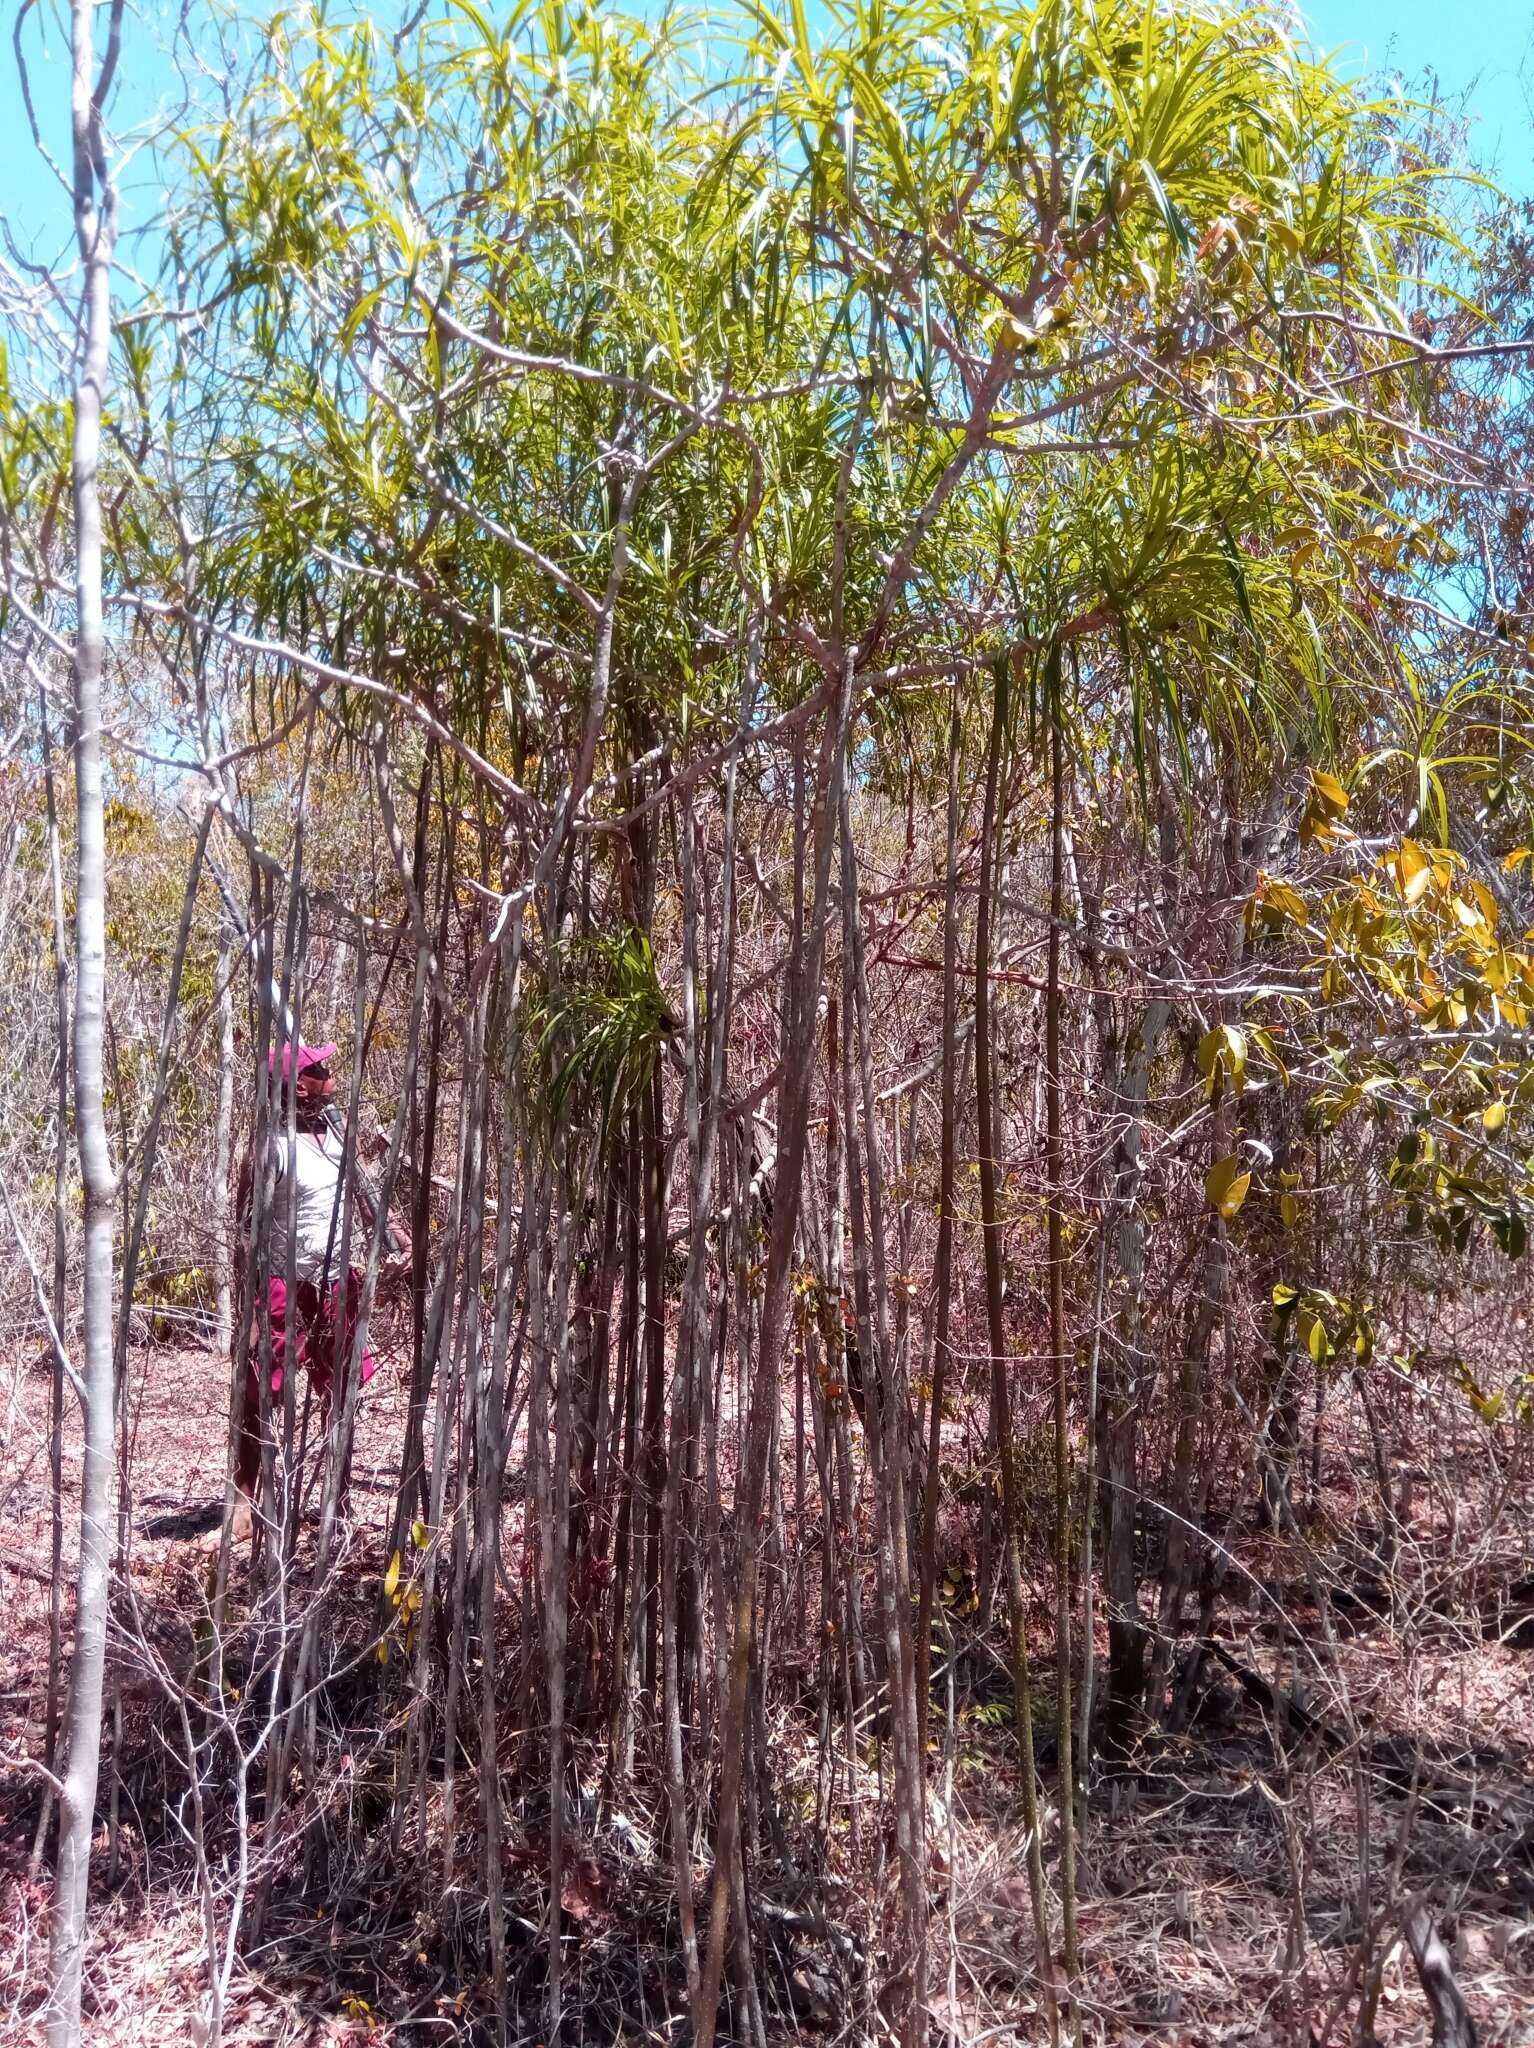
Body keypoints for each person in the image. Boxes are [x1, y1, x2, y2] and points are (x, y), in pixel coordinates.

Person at [232, 1039, 411, 1537]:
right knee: (260, 1391)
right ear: (296, 1086)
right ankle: (246, 1505)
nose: (330, 1075)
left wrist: (396, 1234)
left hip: (337, 1277)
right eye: (319, 1070)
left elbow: (364, 1192)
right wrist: (251, 1306)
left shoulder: (335, 1134)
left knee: (343, 1387)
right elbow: (245, 1228)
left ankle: (337, 1496)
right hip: (283, 1281)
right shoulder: (272, 1148)